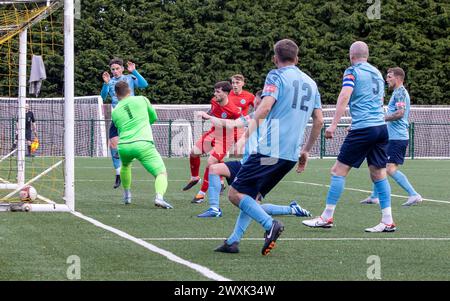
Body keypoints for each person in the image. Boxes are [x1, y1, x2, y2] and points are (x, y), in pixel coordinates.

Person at [217, 39, 323, 255]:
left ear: (275, 58)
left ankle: (269, 224)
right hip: (290, 155)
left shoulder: (276, 75)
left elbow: (264, 108)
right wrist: (306, 150)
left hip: (270, 151)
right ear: (297, 57)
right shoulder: (311, 83)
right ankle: (233, 241)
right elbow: (319, 120)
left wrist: (244, 137)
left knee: (235, 193)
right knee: (252, 196)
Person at [303, 41, 396, 233]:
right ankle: (388, 220)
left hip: (364, 128)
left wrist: (334, 124)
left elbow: (345, 96)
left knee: (338, 171)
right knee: (378, 173)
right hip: (380, 127)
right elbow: (374, 102)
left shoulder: (352, 71)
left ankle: (326, 217)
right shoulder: (377, 73)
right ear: (367, 56)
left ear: (351, 55)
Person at [195, 91, 312, 221]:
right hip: (245, 164)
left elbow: (275, 153)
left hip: (258, 167)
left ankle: (291, 209)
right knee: (214, 169)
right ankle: (214, 209)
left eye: (259, 103)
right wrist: (209, 117)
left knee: (252, 206)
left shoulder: (274, 121)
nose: (255, 105)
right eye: (255, 102)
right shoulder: (252, 117)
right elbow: (231, 123)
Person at [360, 67, 422, 206]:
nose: (386, 79)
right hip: (392, 137)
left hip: (398, 138)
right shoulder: (397, 92)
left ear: (398, 78)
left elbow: (400, 113)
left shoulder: (400, 92)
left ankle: (414, 194)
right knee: (379, 166)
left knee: (389, 169)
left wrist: (383, 119)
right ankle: (375, 196)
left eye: (389, 77)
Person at [111, 81, 173, 209]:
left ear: (116, 95)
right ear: (129, 90)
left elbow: (119, 128)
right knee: (161, 173)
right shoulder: (142, 99)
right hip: (143, 143)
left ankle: (127, 196)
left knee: (126, 165)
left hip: (124, 146)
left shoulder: (115, 111)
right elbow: (153, 118)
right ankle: (159, 198)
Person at [182, 81, 242, 203]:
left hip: (225, 138)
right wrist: (206, 115)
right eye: (214, 91)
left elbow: (238, 125)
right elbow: (212, 112)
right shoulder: (214, 101)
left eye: (218, 91)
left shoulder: (234, 110)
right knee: (194, 152)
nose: (215, 94)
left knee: (211, 162)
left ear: (225, 93)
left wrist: (239, 141)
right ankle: (194, 177)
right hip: (213, 132)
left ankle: (202, 194)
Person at [101, 58, 149, 189]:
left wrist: (135, 71)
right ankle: (118, 173)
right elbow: (103, 97)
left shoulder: (130, 78)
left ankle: (130, 154)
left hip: (130, 115)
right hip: (117, 116)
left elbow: (144, 85)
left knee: (126, 143)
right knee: (113, 144)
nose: (115, 71)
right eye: (113, 69)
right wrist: (105, 84)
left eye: (117, 68)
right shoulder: (110, 82)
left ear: (122, 68)